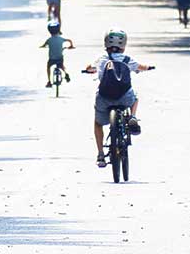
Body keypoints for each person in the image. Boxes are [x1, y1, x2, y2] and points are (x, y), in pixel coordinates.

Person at [84, 28, 152, 168]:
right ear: (124, 44)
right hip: (124, 97)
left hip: (104, 97)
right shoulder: (127, 59)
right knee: (136, 97)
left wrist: (89, 70)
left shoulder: (102, 58)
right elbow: (141, 67)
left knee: (98, 123)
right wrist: (149, 67)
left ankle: (101, 155)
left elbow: (89, 67)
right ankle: (132, 116)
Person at [40, 19, 74, 88]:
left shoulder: (49, 40)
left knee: (48, 67)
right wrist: (71, 46)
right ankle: (66, 73)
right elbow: (69, 40)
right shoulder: (61, 38)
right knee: (62, 66)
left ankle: (49, 81)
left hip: (52, 59)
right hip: (59, 58)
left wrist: (42, 46)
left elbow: (44, 45)